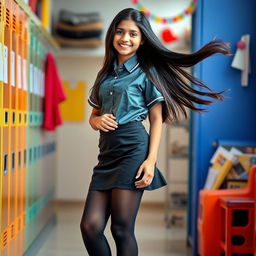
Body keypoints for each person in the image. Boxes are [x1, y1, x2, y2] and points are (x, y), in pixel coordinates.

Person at [80, 7, 231, 256]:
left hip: (133, 149)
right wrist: (95, 122)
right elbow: (94, 115)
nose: (125, 38)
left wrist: (150, 161)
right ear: (112, 35)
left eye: (133, 34)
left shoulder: (146, 72)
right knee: (90, 226)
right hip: (107, 155)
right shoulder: (105, 74)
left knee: (121, 229)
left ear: (142, 40)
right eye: (120, 32)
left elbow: (156, 119)